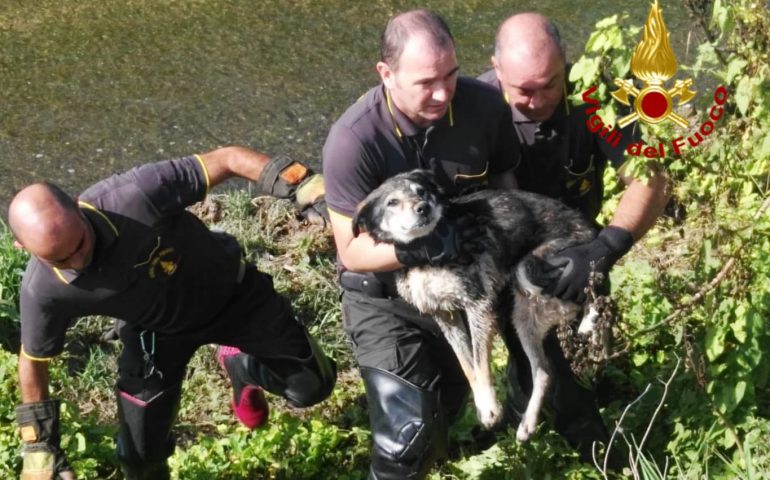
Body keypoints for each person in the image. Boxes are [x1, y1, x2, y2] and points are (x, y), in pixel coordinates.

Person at [9, 146, 335, 479]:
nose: (79, 262)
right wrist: (39, 444)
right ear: (24, 249)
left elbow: (229, 159)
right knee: (138, 459)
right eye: (60, 260)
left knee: (313, 387)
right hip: (156, 335)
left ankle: (243, 364)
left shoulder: (134, 196)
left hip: (235, 297)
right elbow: (33, 359)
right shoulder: (42, 290)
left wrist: (302, 184)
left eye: (80, 243)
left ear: (78, 204)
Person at [322, 9, 519, 479]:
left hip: (463, 283)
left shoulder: (485, 106)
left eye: (451, 75)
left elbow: (509, 186)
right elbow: (351, 252)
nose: (442, 93)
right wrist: (423, 249)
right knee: (405, 436)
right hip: (384, 295)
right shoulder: (353, 141)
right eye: (426, 81)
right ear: (386, 74)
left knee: (446, 410)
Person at [477, 12, 670, 462]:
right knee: (537, 342)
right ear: (496, 68)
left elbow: (650, 179)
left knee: (582, 342)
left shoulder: (595, 97)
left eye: (550, 84)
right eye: (523, 89)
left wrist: (606, 248)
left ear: (566, 65)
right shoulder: (475, 107)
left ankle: (540, 403)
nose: (538, 99)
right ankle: (594, 444)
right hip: (508, 250)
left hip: (580, 240)